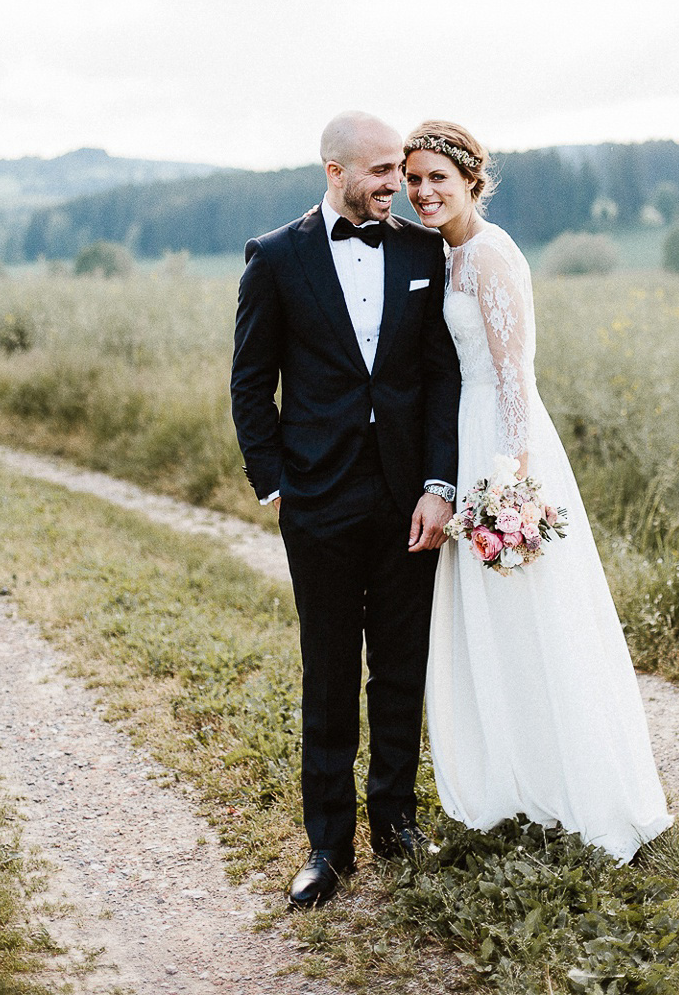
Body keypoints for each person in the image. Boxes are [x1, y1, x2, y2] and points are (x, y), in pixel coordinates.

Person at [403, 120, 671, 863]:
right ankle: (513, 788)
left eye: (438, 180)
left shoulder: (492, 254)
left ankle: (578, 792)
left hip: (501, 444)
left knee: (534, 616)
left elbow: (515, 374)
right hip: (464, 436)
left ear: (470, 183)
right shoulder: (444, 255)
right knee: (491, 625)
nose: (423, 193)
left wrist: (508, 484)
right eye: (414, 180)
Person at [230, 112, 461, 909]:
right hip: (318, 500)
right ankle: (328, 846)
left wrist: (439, 486)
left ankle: (395, 821)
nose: (396, 184)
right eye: (380, 171)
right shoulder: (277, 257)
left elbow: (440, 382)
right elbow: (250, 382)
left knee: (400, 668)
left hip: (408, 499)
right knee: (328, 671)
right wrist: (275, 485)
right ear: (334, 171)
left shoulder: (422, 251)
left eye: (399, 168)